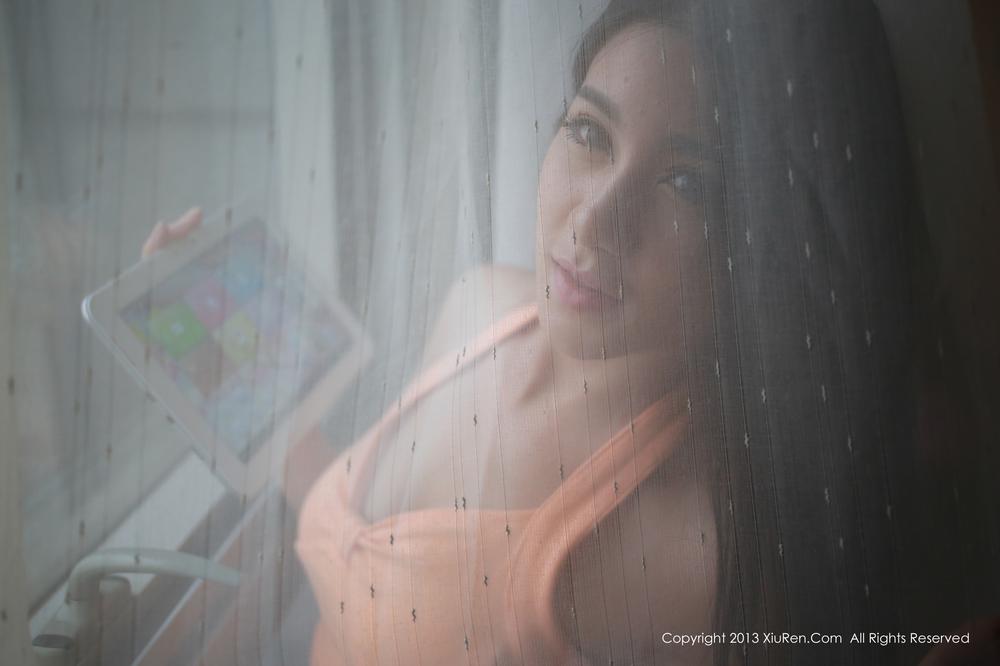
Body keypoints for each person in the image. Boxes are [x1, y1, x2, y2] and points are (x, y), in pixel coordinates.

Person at [146, 0, 999, 663]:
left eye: (688, 185)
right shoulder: (480, 303)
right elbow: (365, 563)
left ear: (758, 242)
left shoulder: (692, 543)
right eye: (589, 133)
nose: (595, 220)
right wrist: (220, 359)